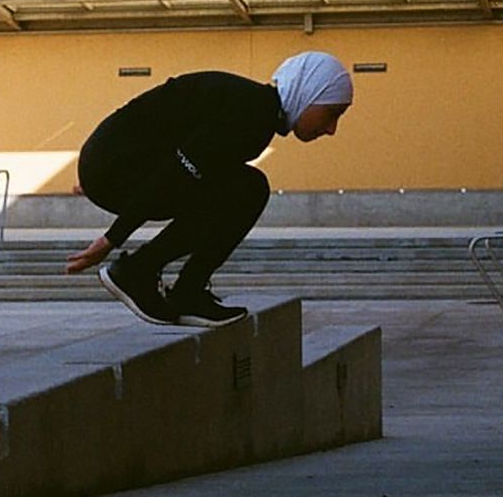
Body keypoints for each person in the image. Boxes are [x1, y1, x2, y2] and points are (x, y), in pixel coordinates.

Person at [65, 50, 353, 327]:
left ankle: (178, 289)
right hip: (115, 165)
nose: (331, 129)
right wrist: (112, 239)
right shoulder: (252, 113)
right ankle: (142, 274)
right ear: (309, 94)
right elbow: (177, 173)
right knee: (248, 189)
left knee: (237, 189)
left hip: (115, 163)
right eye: (331, 113)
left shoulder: (255, 109)